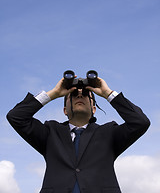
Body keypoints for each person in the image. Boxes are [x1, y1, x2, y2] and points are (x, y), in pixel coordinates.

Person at [7, 74, 150, 193]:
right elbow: (16, 117)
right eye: (73, 95)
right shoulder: (50, 133)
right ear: (64, 110)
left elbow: (140, 122)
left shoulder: (109, 133)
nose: (79, 96)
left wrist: (108, 93)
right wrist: (53, 93)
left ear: (94, 109)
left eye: (86, 95)